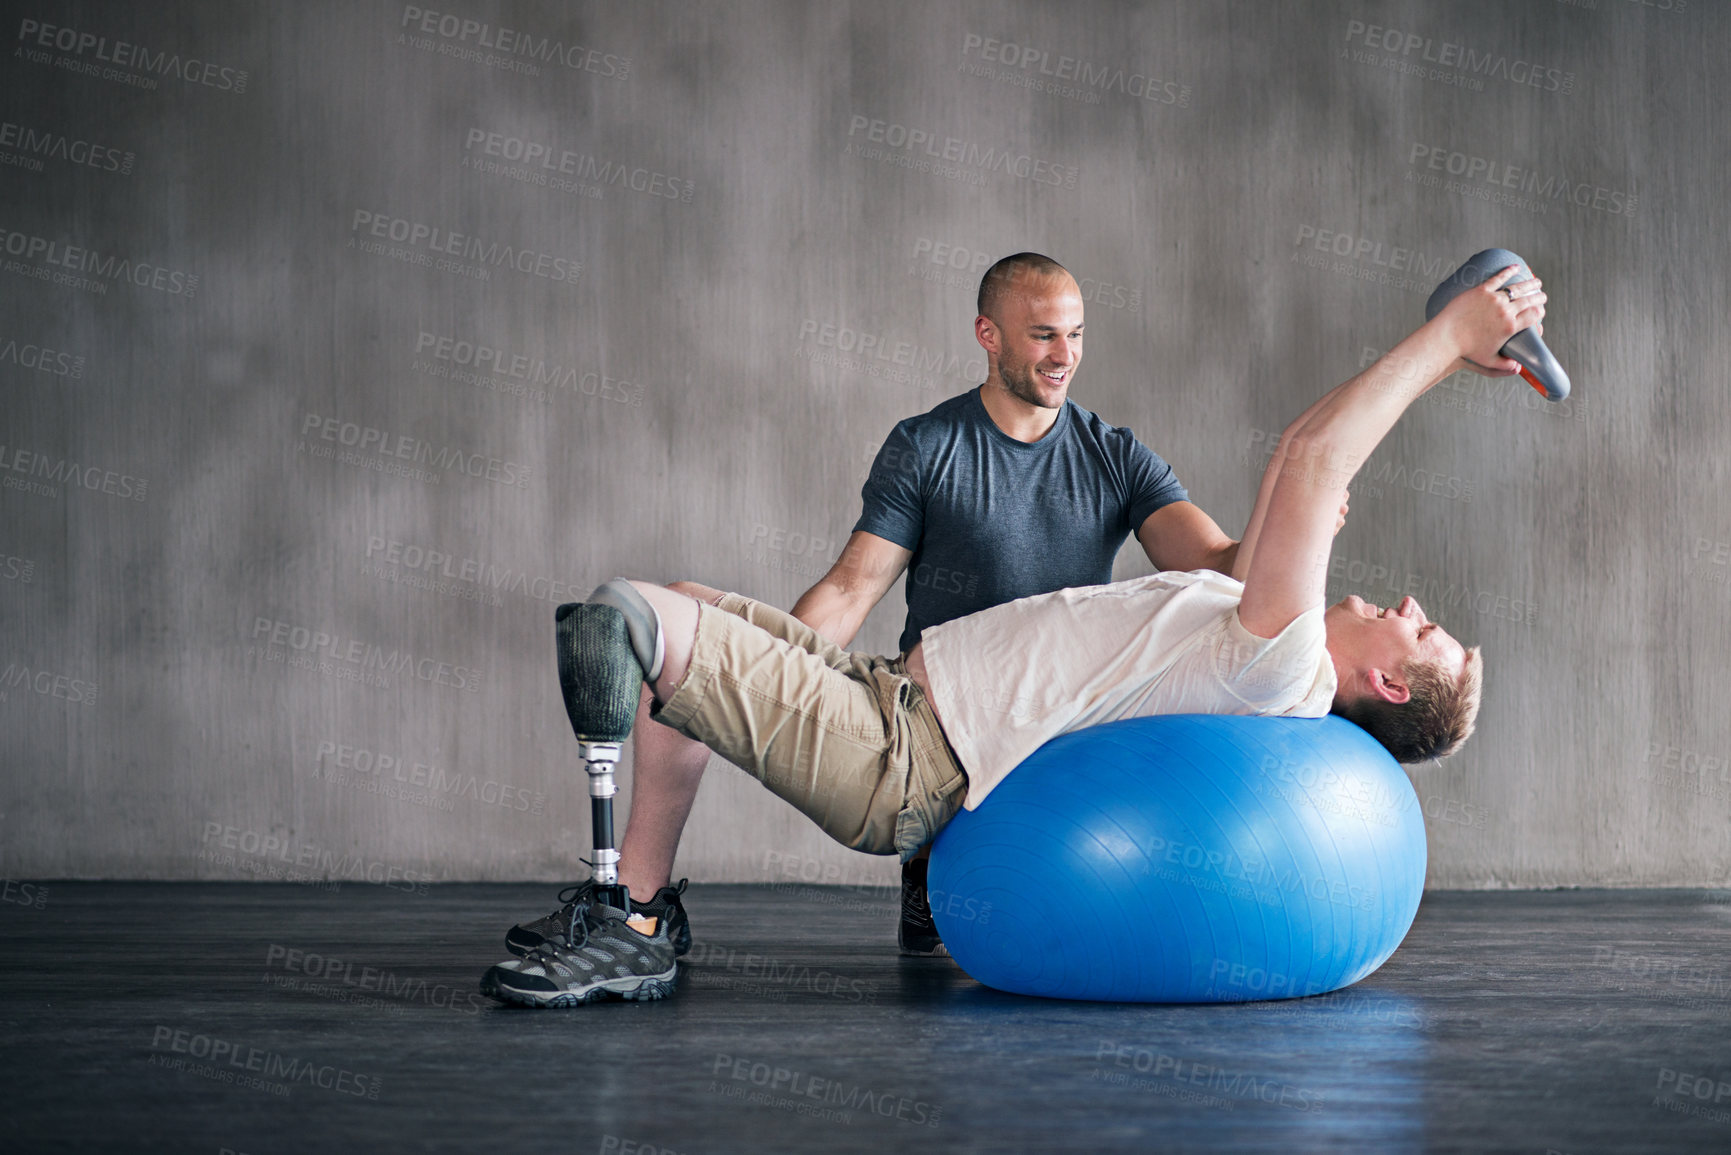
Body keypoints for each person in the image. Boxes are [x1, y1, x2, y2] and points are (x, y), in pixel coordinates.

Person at [478, 263, 1542, 1009]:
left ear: (1390, 687)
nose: (1409, 605)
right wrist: (1456, 357)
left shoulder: (1283, 665)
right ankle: (649, 915)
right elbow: (1276, 496)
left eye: (1425, 632)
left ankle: (625, 917)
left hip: (906, 756)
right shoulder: (1254, 628)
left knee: (630, 612)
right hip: (885, 691)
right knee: (682, 603)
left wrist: (1450, 332)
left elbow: (1311, 460)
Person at [499, 253, 1244, 963]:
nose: (1064, 354)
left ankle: (641, 905)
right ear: (988, 336)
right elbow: (853, 586)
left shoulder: (1114, 455)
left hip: (1034, 741)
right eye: (1043, 333)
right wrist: (771, 675)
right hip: (935, 707)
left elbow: (1214, 563)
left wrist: (1292, 513)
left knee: (682, 638)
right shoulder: (927, 446)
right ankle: (639, 900)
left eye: (1075, 333)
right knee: (679, 616)